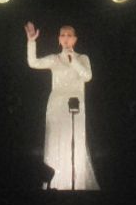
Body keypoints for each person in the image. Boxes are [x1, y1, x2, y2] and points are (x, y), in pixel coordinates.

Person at [25, 21, 99, 190]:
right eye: (63, 35)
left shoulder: (82, 58)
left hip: (76, 106)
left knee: (74, 141)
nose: (66, 38)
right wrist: (31, 41)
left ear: (75, 39)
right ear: (59, 38)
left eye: (69, 35)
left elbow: (87, 76)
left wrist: (72, 59)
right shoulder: (54, 59)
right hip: (56, 106)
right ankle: (54, 184)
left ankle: (76, 184)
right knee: (56, 141)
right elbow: (33, 63)